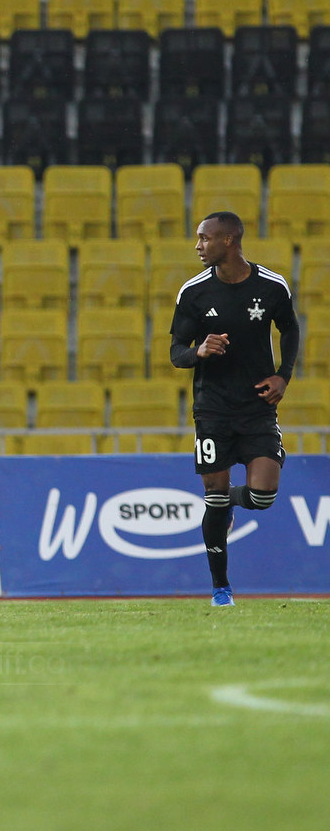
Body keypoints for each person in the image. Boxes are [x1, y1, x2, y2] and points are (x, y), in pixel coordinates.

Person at [170, 211, 300, 608]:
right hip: (212, 409)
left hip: (257, 406)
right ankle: (221, 589)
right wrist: (199, 351)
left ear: (228, 240)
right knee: (213, 495)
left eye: (204, 238)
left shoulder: (272, 285)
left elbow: (290, 329)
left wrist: (283, 376)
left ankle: (229, 502)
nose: (198, 246)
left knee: (262, 497)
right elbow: (176, 353)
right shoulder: (193, 292)